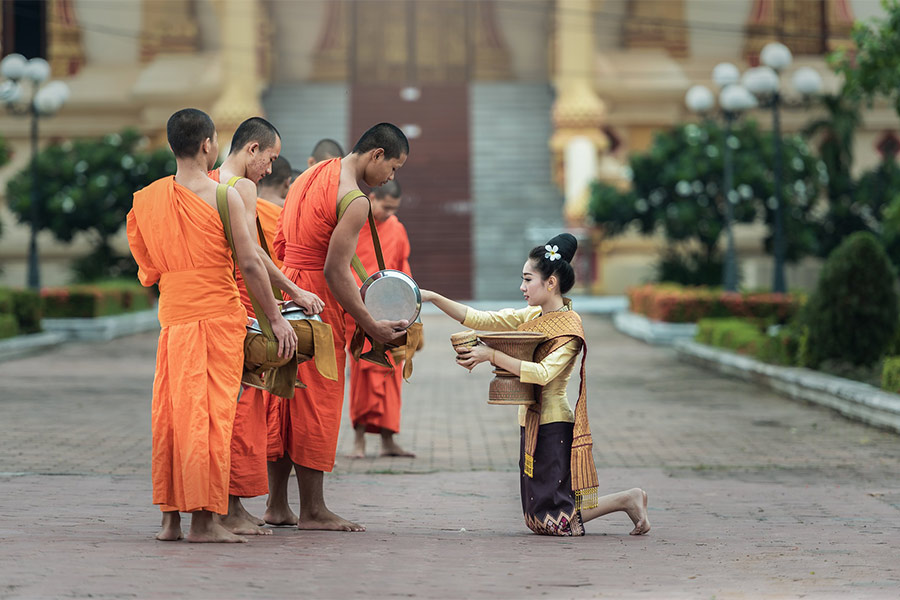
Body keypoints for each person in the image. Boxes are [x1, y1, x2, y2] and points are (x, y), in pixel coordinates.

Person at [126, 108, 297, 543]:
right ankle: (203, 522)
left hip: (174, 321)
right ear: (208, 145)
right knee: (210, 418)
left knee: (171, 416)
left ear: (172, 146)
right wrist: (275, 319)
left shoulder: (145, 199)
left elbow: (147, 269)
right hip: (219, 318)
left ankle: (171, 520)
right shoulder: (225, 196)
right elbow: (251, 264)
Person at [421, 234, 651, 537]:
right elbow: (480, 318)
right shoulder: (532, 315)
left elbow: (542, 374)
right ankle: (628, 499)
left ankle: (626, 498)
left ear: (551, 283)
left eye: (528, 279)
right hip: (531, 420)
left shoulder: (569, 328)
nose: (522, 287)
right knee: (538, 516)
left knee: (553, 519)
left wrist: (491, 354)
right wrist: (434, 298)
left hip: (554, 423)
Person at [267, 123, 409, 532]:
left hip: (289, 289)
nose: (391, 179)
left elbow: (279, 241)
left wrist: (285, 289)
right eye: (394, 168)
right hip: (316, 300)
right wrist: (371, 325)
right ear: (376, 154)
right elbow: (334, 270)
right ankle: (313, 510)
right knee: (316, 399)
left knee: (284, 396)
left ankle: (277, 505)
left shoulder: (312, 173)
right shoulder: (355, 198)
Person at [211, 119, 324, 536]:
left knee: (228, 410)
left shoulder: (205, 183)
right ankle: (228, 508)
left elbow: (253, 251)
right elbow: (251, 258)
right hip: (233, 308)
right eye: (270, 159)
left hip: (209, 309)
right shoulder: (239, 188)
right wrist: (278, 313)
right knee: (239, 412)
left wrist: (289, 292)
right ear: (252, 149)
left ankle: (226, 505)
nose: (270, 168)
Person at [346, 180, 415, 459]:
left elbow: (403, 267)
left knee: (392, 374)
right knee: (362, 375)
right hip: (361, 309)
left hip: (392, 310)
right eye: (385, 207)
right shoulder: (354, 223)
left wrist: (408, 307)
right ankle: (359, 440)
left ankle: (388, 440)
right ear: (372, 197)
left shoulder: (397, 228)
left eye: (394, 209)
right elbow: (343, 264)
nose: (388, 213)